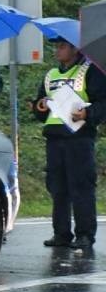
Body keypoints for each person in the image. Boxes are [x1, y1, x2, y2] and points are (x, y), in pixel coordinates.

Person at [33, 37, 106, 249]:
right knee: (58, 188)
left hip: (79, 138)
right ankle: (61, 233)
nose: (57, 51)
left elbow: (102, 103)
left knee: (81, 186)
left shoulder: (91, 71)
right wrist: (40, 106)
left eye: (62, 46)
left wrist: (87, 114)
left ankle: (85, 235)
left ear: (75, 49)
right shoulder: (51, 75)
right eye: (56, 46)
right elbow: (39, 108)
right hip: (55, 138)